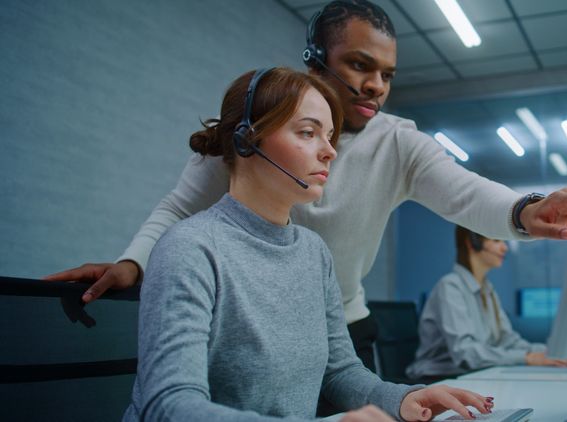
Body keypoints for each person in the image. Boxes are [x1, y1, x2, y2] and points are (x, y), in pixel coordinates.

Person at [45, 0, 567, 373]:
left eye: (388, 74)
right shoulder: (259, 128)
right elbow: (181, 208)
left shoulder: (398, 143)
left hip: (344, 325)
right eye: (360, 65)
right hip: (256, 330)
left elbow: (467, 193)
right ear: (317, 60)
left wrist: (528, 209)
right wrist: (134, 261)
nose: (376, 85)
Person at [123, 67, 493, 421]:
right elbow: (169, 406)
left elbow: (340, 371)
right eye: (307, 132)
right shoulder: (190, 248)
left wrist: (403, 398)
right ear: (247, 140)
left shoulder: (313, 253)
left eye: (329, 136)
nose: (330, 151)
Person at [406, 226, 567, 381]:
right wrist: (526, 358)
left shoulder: (487, 289)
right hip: (436, 379)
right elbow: (466, 353)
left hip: (472, 374)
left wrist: (552, 352)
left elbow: (507, 340)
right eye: (496, 240)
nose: (505, 247)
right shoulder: (450, 287)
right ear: (472, 243)